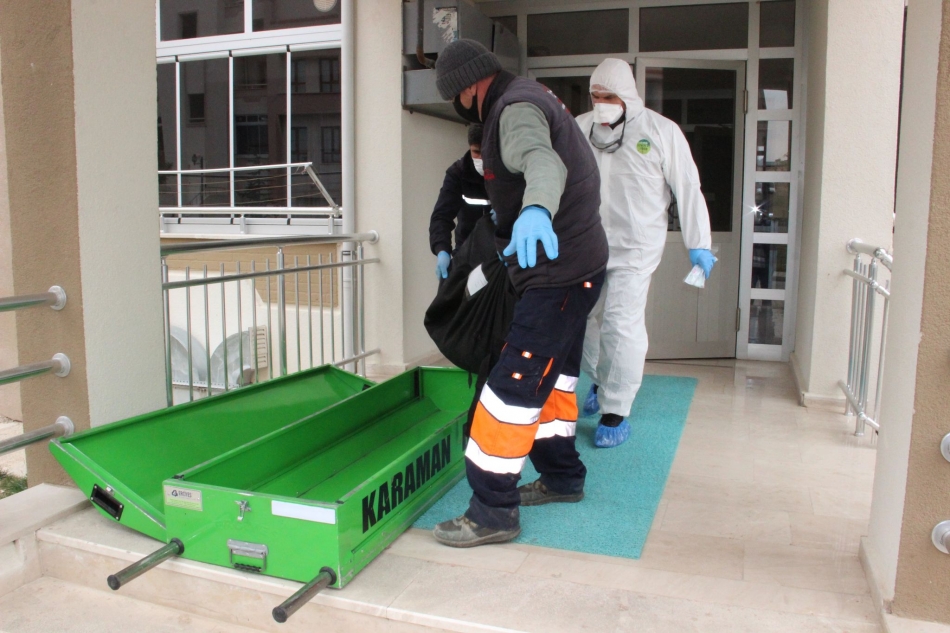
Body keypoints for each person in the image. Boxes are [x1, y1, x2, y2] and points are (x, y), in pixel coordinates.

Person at [431, 39, 608, 547]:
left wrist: (534, 210)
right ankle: (562, 478)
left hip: (557, 275)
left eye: (455, 96)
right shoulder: (531, 94)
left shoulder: (512, 110)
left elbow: (542, 162)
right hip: (578, 267)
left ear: (467, 88)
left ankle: (493, 511)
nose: (459, 105)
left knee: (509, 389)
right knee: (554, 382)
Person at [576, 58, 716, 448]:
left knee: (621, 324)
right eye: (595, 96)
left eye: (609, 97)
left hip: (635, 249)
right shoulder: (579, 128)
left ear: (627, 96)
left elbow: (687, 187)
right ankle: (602, 380)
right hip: (587, 245)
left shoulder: (660, 131)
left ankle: (615, 410)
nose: (601, 104)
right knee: (581, 319)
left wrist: (699, 243)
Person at [430, 124, 491, 279]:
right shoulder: (458, 173)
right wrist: (442, 250)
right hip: (466, 254)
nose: (481, 158)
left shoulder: (508, 173)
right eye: (476, 152)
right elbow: (441, 216)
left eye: (486, 152)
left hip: (501, 254)